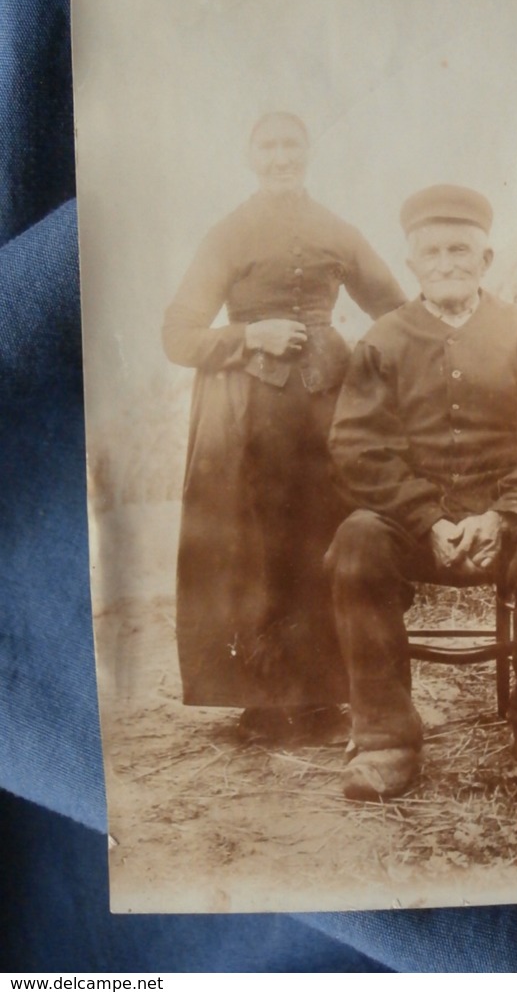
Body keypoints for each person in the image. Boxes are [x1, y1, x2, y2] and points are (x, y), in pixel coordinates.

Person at [326, 184, 517, 799]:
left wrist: (501, 515)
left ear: (487, 259)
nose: (446, 263)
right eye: (432, 252)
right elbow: (356, 451)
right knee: (357, 538)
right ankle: (387, 739)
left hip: (511, 529)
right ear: (412, 263)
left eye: (460, 250)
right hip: (416, 534)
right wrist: (426, 518)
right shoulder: (381, 343)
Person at [162, 111, 406, 738]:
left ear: (308, 151)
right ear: (250, 156)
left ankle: (327, 696)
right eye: (267, 147)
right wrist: (251, 335)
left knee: (322, 539)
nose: (280, 157)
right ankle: (266, 702)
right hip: (247, 419)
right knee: (259, 549)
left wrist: (371, 363)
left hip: (327, 415)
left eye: (291, 145)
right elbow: (178, 334)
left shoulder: (336, 230)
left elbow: (396, 310)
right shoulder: (228, 234)